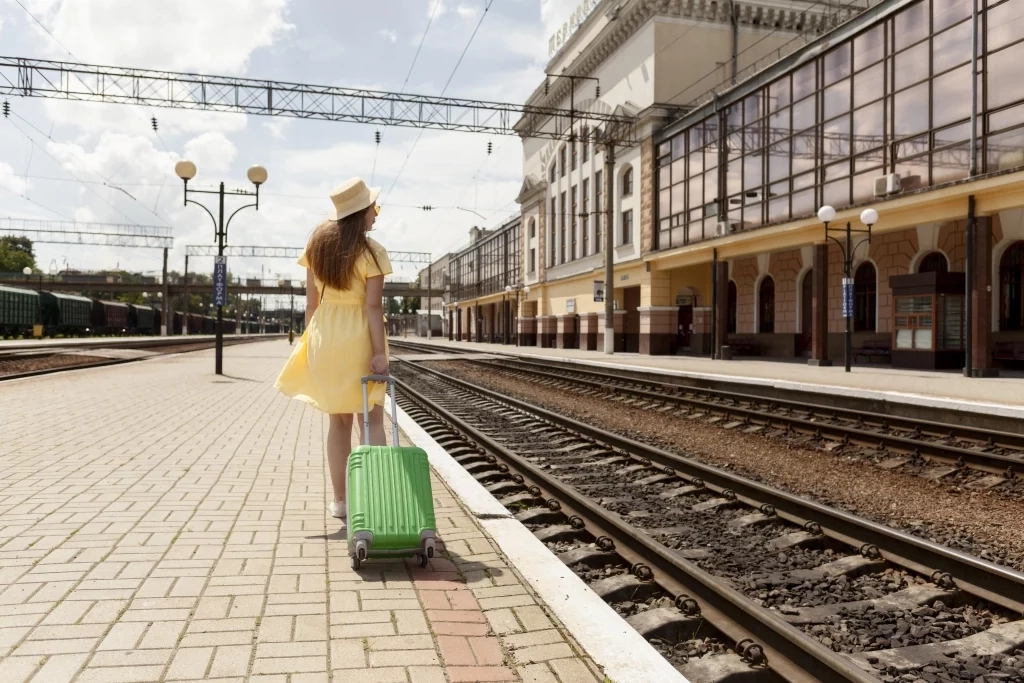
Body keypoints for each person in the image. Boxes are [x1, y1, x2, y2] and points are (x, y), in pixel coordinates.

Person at [275, 177, 392, 521]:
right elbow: (372, 308)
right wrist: (380, 352)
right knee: (370, 420)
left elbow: (311, 305)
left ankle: (341, 502)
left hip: (325, 336)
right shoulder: (373, 253)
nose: (377, 215)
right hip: (358, 336)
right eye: (374, 209)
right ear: (361, 214)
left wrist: (310, 343)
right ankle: (375, 499)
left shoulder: (317, 248)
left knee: (338, 423)